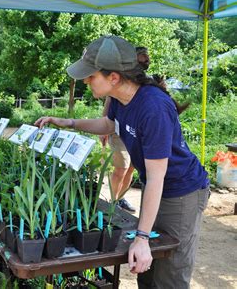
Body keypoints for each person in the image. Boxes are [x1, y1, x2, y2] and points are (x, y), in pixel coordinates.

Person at [35, 35, 209, 289]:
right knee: (147, 270)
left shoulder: (153, 108)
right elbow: (108, 124)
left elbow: (157, 176)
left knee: (169, 273)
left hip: (181, 192)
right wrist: (68, 122)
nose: (85, 80)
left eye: (91, 76)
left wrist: (141, 236)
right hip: (158, 186)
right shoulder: (120, 98)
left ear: (113, 77)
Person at [98, 46, 154, 212]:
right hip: (117, 128)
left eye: (146, 61)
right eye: (141, 60)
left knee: (131, 167)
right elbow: (110, 102)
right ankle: (113, 201)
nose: (145, 63)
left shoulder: (146, 80)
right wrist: (104, 129)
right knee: (121, 167)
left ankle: (120, 199)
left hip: (135, 130)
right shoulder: (120, 79)